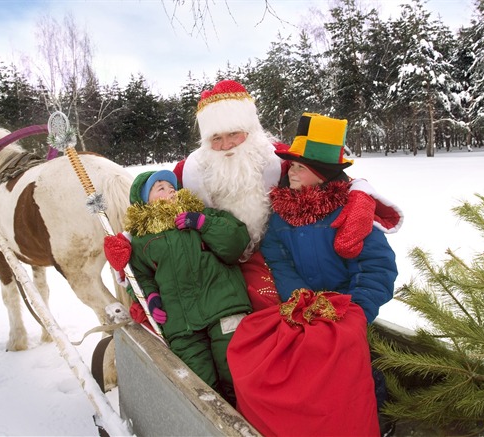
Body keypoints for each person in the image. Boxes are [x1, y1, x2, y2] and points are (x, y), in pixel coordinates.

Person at [227, 113, 400, 437]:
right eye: (291, 165)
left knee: (360, 366)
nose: (289, 170)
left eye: (299, 167)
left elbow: (377, 267)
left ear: (320, 175)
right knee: (314, 370)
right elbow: (280, 262)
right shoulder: (281, 215)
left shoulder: (351, 212)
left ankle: (376, 418)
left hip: (349, 310)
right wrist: (303, 300)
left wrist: (356, 311)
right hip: (307, 308)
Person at [173, 79, 403, 312]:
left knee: (267, 306)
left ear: (250, 131)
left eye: (233, 133)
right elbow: (154, 195)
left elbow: (328, 173)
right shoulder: (191, 170)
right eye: (216, 138)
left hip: (270, 255)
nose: (226, 145)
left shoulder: (276, 158)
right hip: (218, 260)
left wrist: (360, 194)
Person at [103, 169, 252, 405]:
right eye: (159, 187)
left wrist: (204, 224)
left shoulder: (202, 214)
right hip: (182, 326)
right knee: (201, 390)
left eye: (171, 186)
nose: (169, 189)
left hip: (224, 308)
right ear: (143, 201)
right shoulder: (141, 240)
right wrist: (151, 296)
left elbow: (235, 244)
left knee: (237, 374)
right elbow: (140, 276)